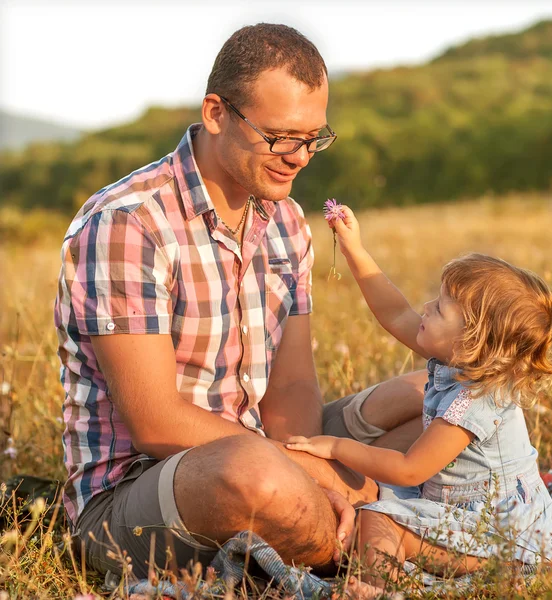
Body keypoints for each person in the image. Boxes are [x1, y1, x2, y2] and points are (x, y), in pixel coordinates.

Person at [54, 24, 427, 579]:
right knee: (252, 474)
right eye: (279, 136)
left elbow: (294, 386)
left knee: (442, 394)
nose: (299, 158)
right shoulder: (128, 223)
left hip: (267, 448)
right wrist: (309, 472)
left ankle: (369, 523)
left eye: (313, 138)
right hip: (140, 491)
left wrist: (307, 458)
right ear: (215, 113)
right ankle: (396, 535)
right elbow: (156, 423)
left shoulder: (287, 221)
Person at [287, 205, 552, 592]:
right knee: (375, 522)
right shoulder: (460, 363)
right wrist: (354, 249)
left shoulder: (474, 402)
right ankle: (402, 581)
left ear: (472, 342)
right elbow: (396, 313)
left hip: (496, 536)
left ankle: (385, 587)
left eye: (440, 308)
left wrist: (336, 446)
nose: (427, 308)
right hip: (458, 511)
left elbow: (409, 470)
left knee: (374, 522)